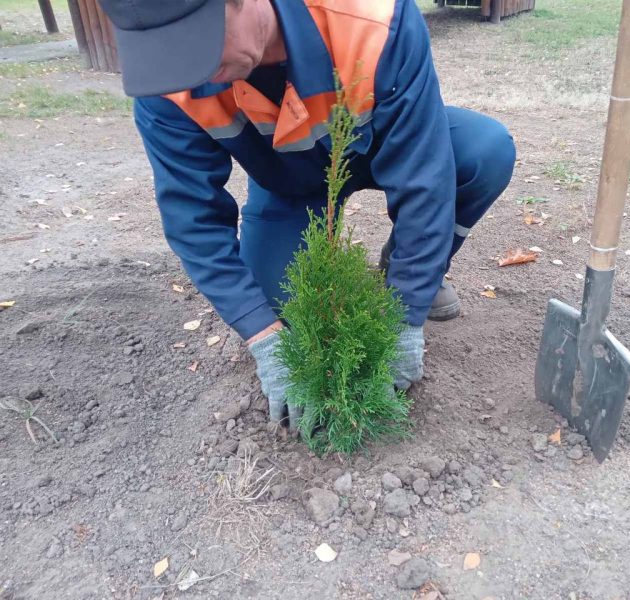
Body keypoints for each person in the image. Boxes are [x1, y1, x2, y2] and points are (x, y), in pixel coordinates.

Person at [100, 0, 516, 430]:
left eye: (197, 42)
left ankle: (405, 269)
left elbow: (424, 176)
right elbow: (192, 218)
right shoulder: (167, 83)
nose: (189, 70)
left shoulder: (371, 19)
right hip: (288, 184)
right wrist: (264, 338)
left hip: (379, 146)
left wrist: (405, 313)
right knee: (283, 312)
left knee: (484, 152)